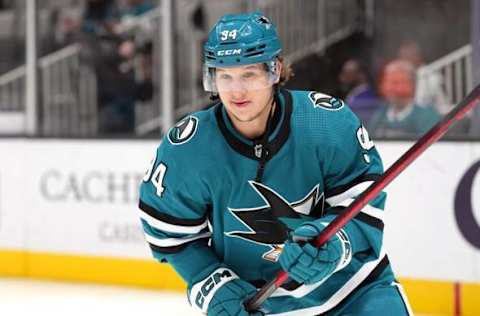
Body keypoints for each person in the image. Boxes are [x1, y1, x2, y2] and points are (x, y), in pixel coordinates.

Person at [138, 12, 412, 315]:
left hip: (352, 291)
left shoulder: (325, 123)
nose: (236, 91)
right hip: (260, 307)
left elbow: (364, 207)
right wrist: (211, 283)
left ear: (275, 70)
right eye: (224, 76)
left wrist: (336, 243)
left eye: (249, 74)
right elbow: (170, 234)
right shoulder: (189, 149)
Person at [369, 60, 441, 138]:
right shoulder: (380, 115)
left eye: (395, 82)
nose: (389, 88)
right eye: (386, 82)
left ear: (412, 86)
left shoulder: (428, 117)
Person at [338, 58, 382, 125]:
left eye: (348, 73)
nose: (342, 77)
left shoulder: (367, 98)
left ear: (361, 75)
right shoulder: (354, 95)